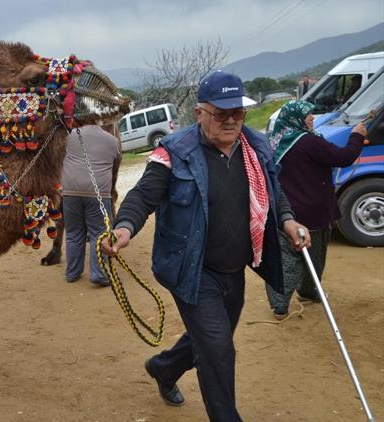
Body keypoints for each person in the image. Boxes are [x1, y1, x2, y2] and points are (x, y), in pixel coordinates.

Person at [101, 71, 310, 421]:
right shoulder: (174, 152)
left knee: (211, 340)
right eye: (221, 112)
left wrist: (288, 221)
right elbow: (142, 196)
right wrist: (123, 228)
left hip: (235, 269)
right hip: (191, 270)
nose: (231, 120)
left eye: (237, 113)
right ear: (199, 114)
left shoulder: (256, 148)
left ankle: (164, 368)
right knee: (218, 350)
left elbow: (277, 194)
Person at [266, 100, 366, 318]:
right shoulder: (308, 142)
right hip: (312, 210)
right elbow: (344, 157)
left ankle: (279, 305)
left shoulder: (277, 139)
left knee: (285, 260)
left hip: (285, 212)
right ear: (296, 118)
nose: (312, 118)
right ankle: (309, 292)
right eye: (307, 115)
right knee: (315, 255)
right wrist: (357, 136)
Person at [61, 124, 121, 286]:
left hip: (70, 192)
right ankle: (99, 274)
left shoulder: (69, 136)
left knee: (73, 234)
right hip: (99, 194)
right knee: (99, 234)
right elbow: (115, 165)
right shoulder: (112, 141)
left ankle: (72, 273)